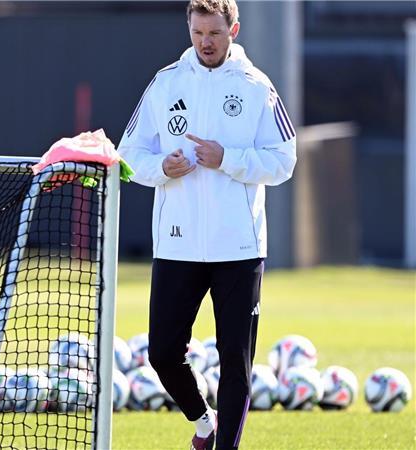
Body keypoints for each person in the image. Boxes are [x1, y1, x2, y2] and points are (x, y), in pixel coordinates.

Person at [116, 0, 296, 449]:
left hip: (238, 247)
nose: (205, 42)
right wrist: (163, 167)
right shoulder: (165, 83)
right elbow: (128, 157)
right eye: (198, 33)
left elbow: (284, 160)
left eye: (214, 32)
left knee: (235, 362)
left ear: (234, 28)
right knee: (161, 354)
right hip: (177, 245)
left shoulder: (257, 87)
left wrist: (228, 159)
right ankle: (203, 423)